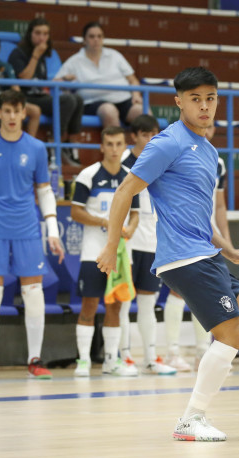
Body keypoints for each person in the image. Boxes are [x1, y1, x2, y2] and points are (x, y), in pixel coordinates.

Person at [97, 67, 239, 441]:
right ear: (179, 102)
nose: (204, 106)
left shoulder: (209, 149)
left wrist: (230, 252)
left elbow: (201, 217)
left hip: (205, 253)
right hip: (182, 257)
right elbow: (124, 193)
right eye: (196, 99)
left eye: (211, 98)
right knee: (230, 331)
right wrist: (111, 245)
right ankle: (191, 419)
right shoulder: (166, 144)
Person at [0, 89, 65, 380]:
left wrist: (53, 231)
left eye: (16, 111)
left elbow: (45, 192)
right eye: (5, 111)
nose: (11, 116)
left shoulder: (36, 148)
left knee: (33, 295)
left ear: (24, 113)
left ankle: (35, 359)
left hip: (27, 229)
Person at [71, 126, 140, 377]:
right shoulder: (87, 175)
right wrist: (105, 222)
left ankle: (112, 361)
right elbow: (75, 211)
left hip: (122, 256)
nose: (113, 149)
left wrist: (130, 229)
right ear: (101, 147)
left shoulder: (132, 176)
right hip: (93, 252)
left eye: (118, 144)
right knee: (89, 305)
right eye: (109, 144)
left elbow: (135, 214)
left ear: (125, 147)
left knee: (116, 307)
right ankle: (84, 361)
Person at [117, 115, 176, 375]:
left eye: (153, 133)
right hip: (128, 243)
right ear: (135, 136)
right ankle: (124, 355)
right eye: (143, 134)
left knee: (148, 302)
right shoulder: (121, 164)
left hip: (153, 242)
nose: (149, 139)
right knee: (122, 301)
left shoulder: (162, 162)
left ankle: (151, 357)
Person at [162, 124, 223, 372]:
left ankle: (202, 352)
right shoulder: (174, 148)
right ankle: (172, 352)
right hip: (178, 233)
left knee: (206, 291)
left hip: (208, 233)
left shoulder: (217, 159)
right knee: (179, 292)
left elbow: (219, 205)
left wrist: (226, 241)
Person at [8, 17, 84, 166]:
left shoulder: (43, 56)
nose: (42, 37)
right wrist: (35, 55)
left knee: (78, 99)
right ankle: (56, 142)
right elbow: (24, 79)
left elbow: (39, 83)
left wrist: (60, 80)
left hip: (40, 96)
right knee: (67, 101)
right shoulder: (18, 53)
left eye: (45, 34)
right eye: (38, 33)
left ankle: (70, 144)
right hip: (25, 97)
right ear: (30, 34)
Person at [55, 22, 144, 128]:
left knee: (143, 112)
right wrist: (65, 79)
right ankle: (117, 144)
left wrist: (136, 95)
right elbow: (54, 83)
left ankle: (151, 145)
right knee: (109, 111)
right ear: (84, 40)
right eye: (92, 36)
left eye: (99, 36)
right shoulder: (74, 61)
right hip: (93, 102)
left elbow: (133, 79)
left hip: (123, 99)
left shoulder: (115, 55)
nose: (96, 39)